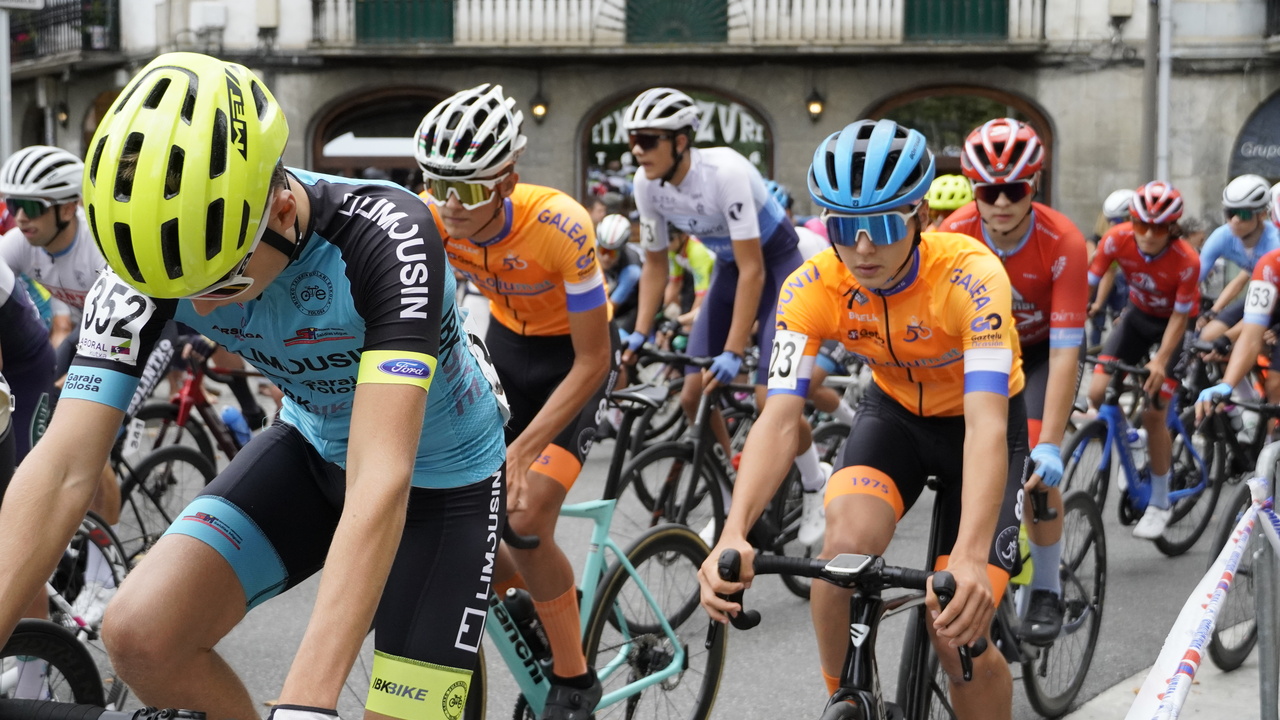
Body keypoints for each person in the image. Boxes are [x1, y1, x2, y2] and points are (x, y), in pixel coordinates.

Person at [0, 52, 508, 720]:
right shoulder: (147, 260)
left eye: (222, 281)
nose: (200, 310)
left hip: (440, 478)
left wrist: (307, 701)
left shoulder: (389, 237)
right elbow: (64, 465)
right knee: (140, 634)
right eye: (177, 292)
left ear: (282, 206)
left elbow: (384, 473)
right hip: (312, 444)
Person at [698, 118, 1025, 720]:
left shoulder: (973, 276)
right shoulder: (809, 286)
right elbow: (779, 417)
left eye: (883, 225)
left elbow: (985, 424)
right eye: (845, 229)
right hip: (894, 417)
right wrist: (734, 531)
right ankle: (847, 701)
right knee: (838, 565)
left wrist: (971, 555)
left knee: (954, 626)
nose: (864, 249)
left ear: (921, 216)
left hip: (980, 429)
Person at [415, 83, 614, 720]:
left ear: (507, 182)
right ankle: (533, 597)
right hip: (505, 346)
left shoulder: (560, 224)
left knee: (525, 521)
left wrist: (524, 449)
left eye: (469, 191)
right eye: (437, 184)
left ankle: (576, 675)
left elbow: (594, 359)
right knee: (470, 514)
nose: (451, 205)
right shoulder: (430, 217)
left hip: (571, 363)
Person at [619, 87, 828, 546]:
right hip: (731, 270)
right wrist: (639, 333)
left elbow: (756, 270)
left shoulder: (725, 172)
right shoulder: (645, 184)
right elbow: (654, 265)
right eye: (632, 139)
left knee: (769, 399)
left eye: (648, 140)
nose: (637, 150)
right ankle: (738, 481)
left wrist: (734, 351)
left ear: (680, 142)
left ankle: (816, 481)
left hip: (778, 267)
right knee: (693, 392)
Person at [940, 117, 1088, 644]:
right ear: (974, 190)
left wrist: (1051, 443)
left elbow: (1067, 352)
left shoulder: (1063, 240)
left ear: (1034, 185)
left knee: (1034, 473)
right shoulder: (951, 233)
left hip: (1043, 352)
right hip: (981, 350)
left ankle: (1047, 588)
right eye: (988, 191)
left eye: (1015, 190)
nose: (1001, 202)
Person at [1086, 181, 1199, 540]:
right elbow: (1087, 282)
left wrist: (1160, 361)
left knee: (1154, 411)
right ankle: (1132, 441)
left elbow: (1180, 318)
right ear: (1131, 220)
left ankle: (1161, 502)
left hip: (1174, 326)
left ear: (1173, 228)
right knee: (1097, 393)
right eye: (1141, 224)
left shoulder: (1187, 260)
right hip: (1137, 316)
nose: (1149, 234)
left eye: (1159, 228)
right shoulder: (1115, 239)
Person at [0, 145, 103, 378]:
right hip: (88, 329)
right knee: (51, 384)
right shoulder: (18, 242)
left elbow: (119, 332)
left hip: (146, 330)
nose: (20, 218)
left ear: (67, 210)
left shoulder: (98, 246)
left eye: (32, 207)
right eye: (14, 205)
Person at [1196, 245, 1280, 429]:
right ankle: (1248, 401)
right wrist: (1227, 385)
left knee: (1275, 383)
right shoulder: (1270, 263)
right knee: (1209, 338)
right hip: (1275, 305)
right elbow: (1251, 333)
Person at [1195, 175, 1280, 345]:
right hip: (1260, 297)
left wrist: (1228, 337)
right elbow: (1196, 279)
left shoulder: (1274, 243)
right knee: (1206, 337)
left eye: (1243, 214)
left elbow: (1269, 305)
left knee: (1247, 342)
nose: (1235, 220)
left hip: (1276, 299)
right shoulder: (1221, 236)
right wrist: (1213, 311)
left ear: (1262, 215)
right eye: (1230, 213)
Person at [1087, 188, 1136, 349]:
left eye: (1117, 220)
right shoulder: (1113, 241)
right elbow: (1104, 274)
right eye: (1110, 221)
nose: (1113, 225)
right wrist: (1094, 304)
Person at [597, 213, 643, 334]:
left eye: (612, 253)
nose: (606, 258)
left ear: (622, 249)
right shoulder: (591, 247)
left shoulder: (632, 270)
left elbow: (609, 310)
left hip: (628, 310)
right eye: (603, 251)